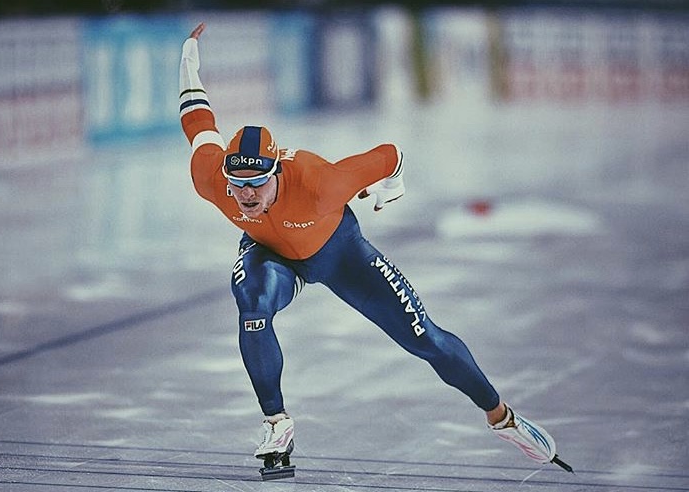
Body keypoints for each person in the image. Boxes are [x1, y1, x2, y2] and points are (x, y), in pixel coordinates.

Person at [179, 22, 571, 473]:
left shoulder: (321, 183)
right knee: (252, 304)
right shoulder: (211, 178)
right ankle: (276, 421)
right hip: (272, 255)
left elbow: (391, 153)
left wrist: (391, 184)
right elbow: (198, 120)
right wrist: (188, 59)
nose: (246, 194)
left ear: (277, 173)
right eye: (238, 183)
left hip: (341, 252)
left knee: (425, 338)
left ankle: (502, 417)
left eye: (257, 183)